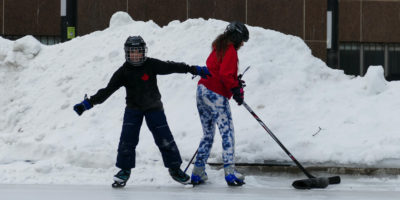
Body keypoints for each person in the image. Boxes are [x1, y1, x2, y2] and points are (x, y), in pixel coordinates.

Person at [73, 36, 211, 187]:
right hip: (133, 109)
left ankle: (175, 169)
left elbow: (171, 67)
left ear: (143, 52)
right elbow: (107, 91)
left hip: (154, 108)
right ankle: (124, 171)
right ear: (127, 53)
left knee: (165, 139)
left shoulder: (151, 64)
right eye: (132, 52)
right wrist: (87, 103)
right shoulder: (123, 71)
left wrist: (193, 69)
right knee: (127, 140)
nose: (135, 55)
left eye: (138, 52)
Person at [190, 21, 249, 186]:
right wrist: (236, 89)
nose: (242, 44)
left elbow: (218, 71)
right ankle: (230, 173)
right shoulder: (230, 50)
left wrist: (234, 84)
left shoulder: (218, 48)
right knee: (227, 132)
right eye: (242, 40)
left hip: (202, 92)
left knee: (208, 134)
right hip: (215, 94)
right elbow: (224, 74)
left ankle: (197, 172)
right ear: (236, 37)